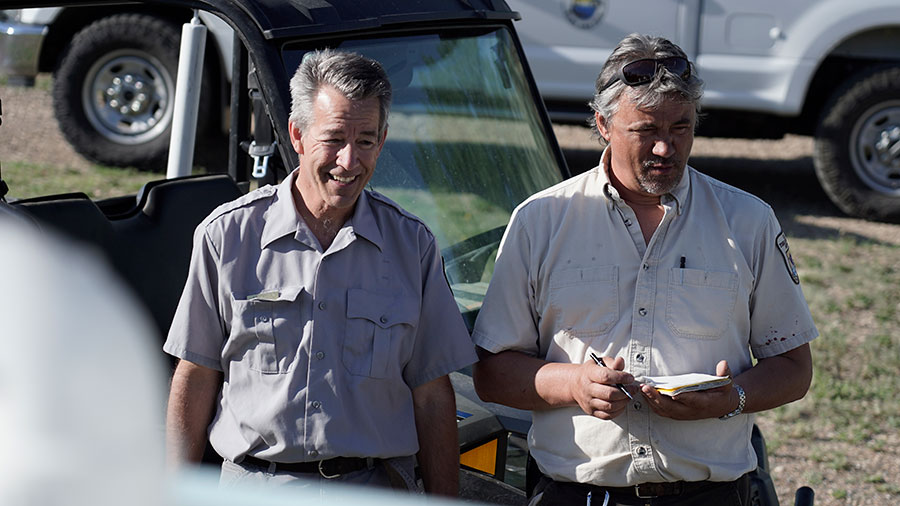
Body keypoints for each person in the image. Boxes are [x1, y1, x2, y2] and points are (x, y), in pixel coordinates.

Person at [471, 33, 817, 505]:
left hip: (710, 496)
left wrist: (731, 397)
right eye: (646, 129)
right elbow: (492, 373)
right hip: (577, 493)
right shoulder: (540, 220)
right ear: (603, 124)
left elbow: (794, 368)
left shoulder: (748, 221)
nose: (664, 148)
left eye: (681, 127)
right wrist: (574, 385)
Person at [163, 49, 476, 497]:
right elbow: (195, 375)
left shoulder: (413, 247)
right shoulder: (226, 236)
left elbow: (432, 394)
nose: (349, 162)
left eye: (366, 141)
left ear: (382, 141)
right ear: (298, 135)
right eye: (334, 139)